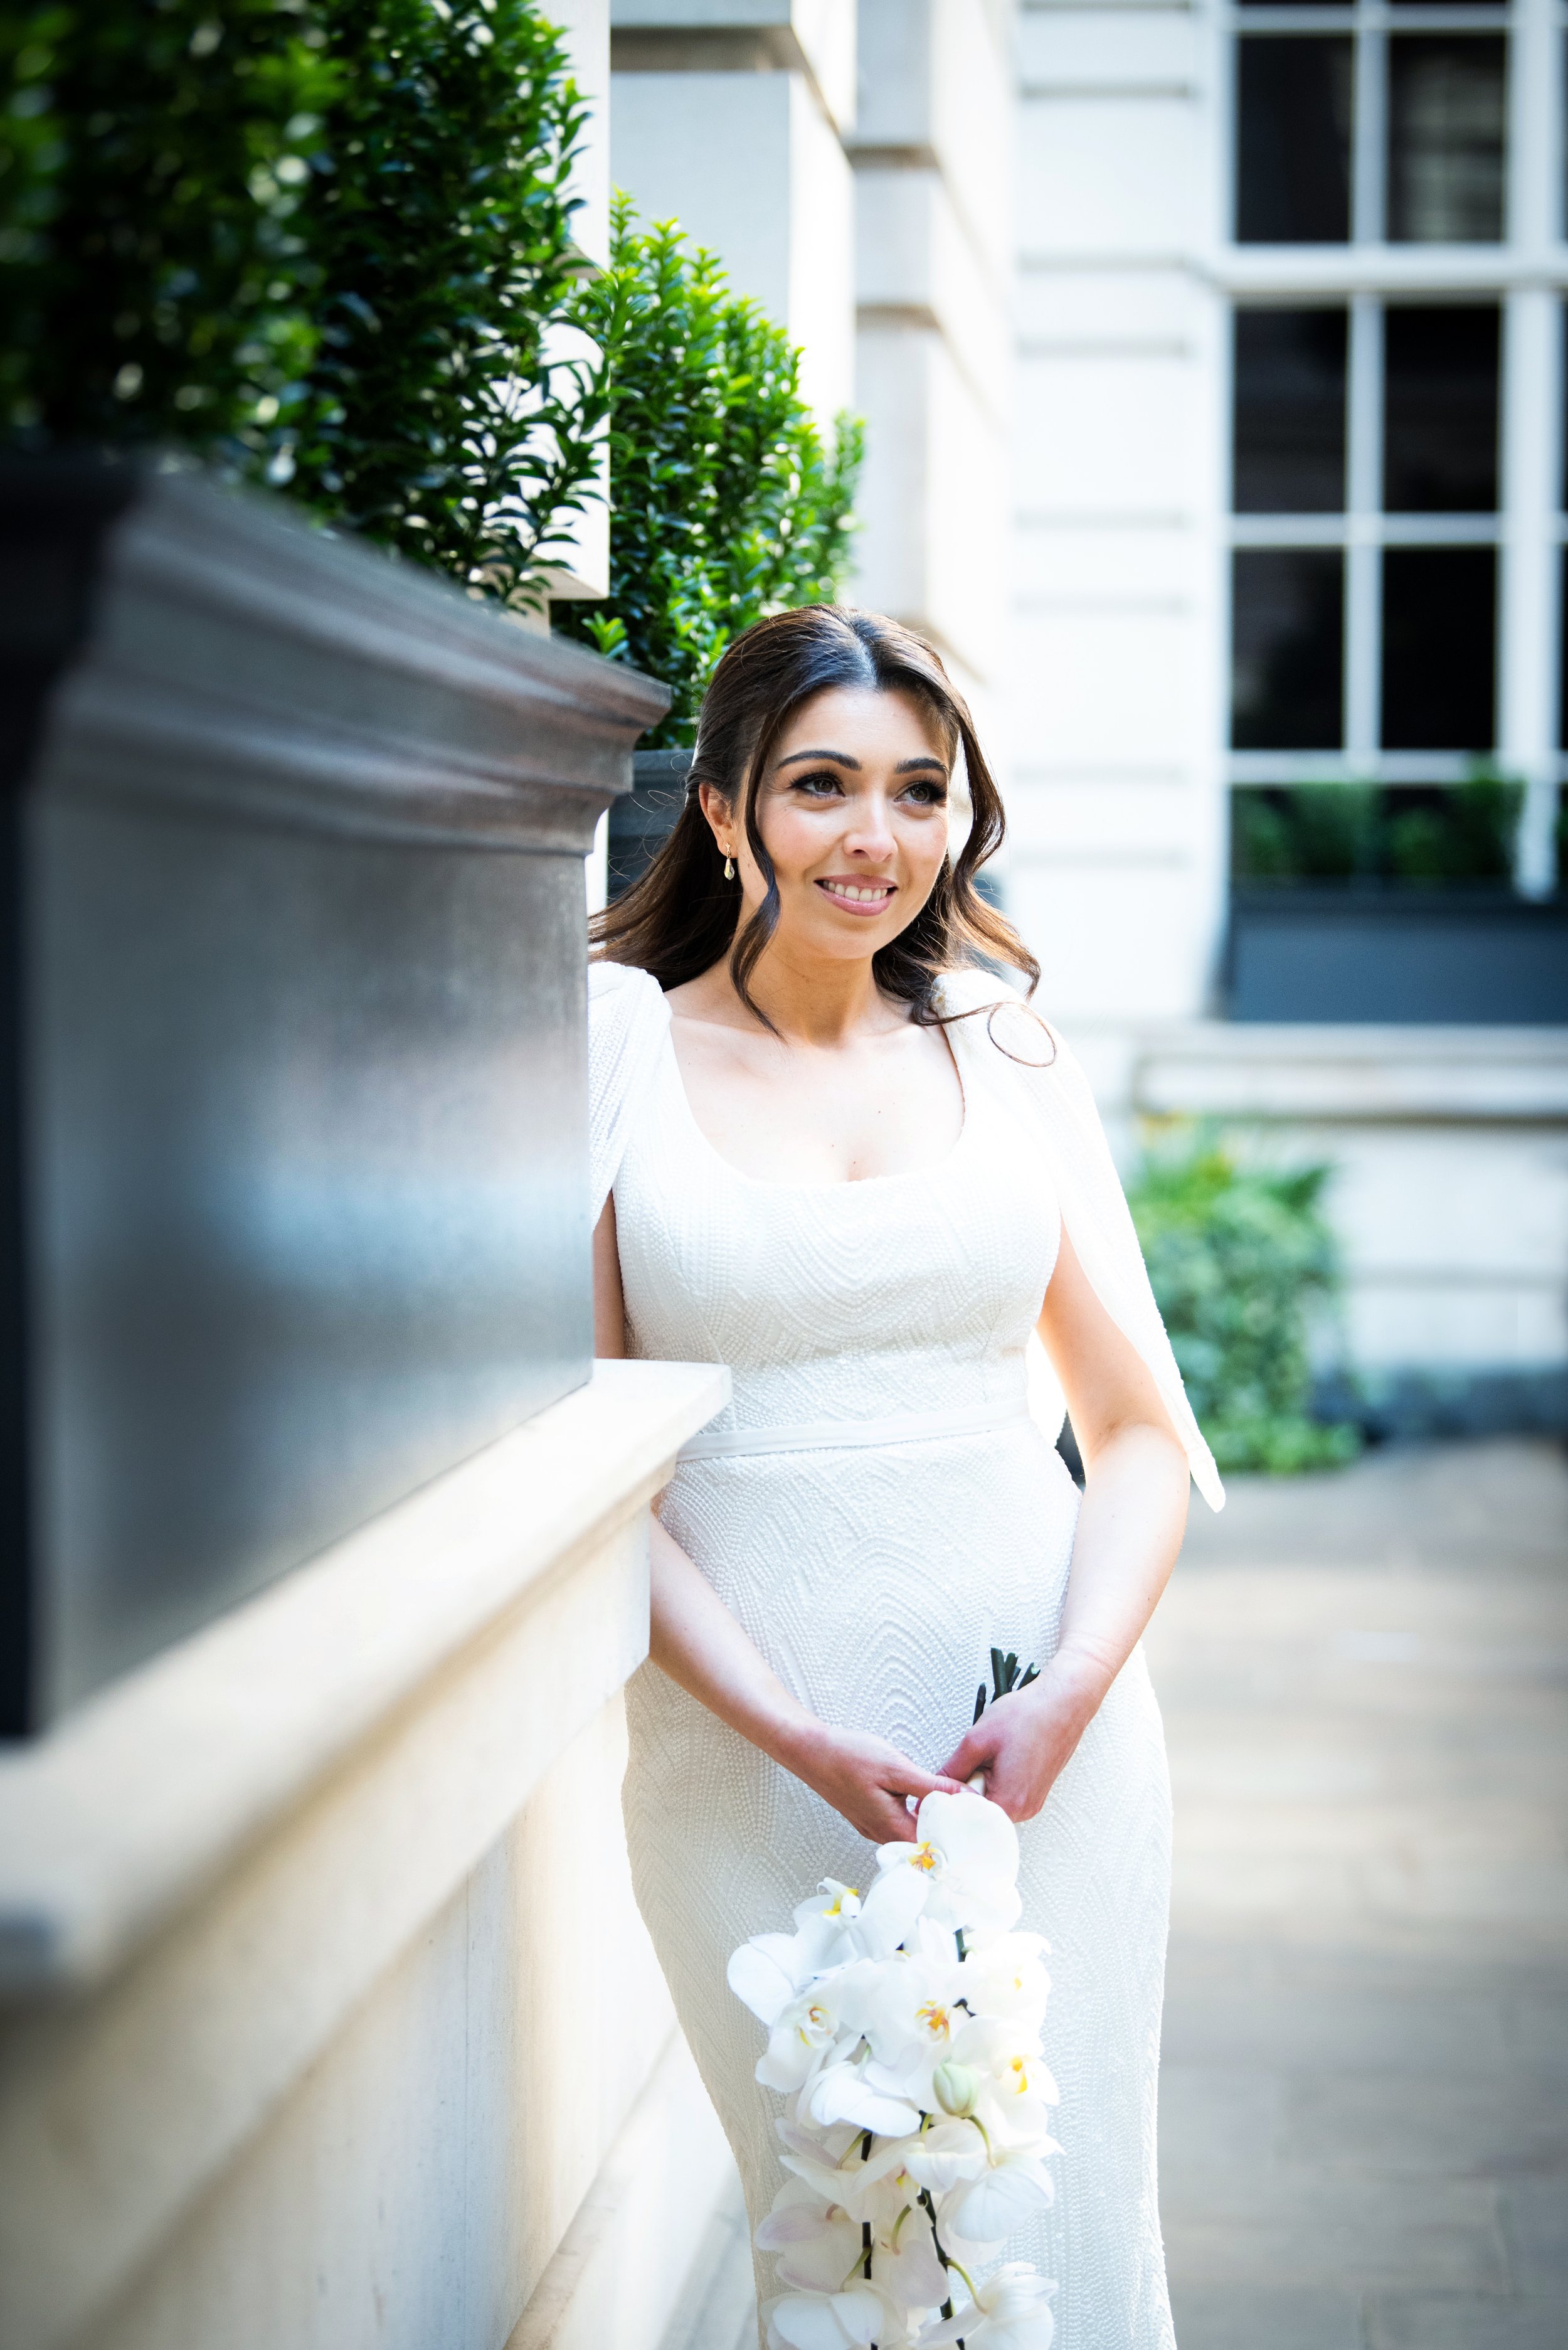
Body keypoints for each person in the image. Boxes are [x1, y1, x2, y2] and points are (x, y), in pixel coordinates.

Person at [589, 605, 1222, 2350]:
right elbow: (596, 1479)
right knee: (852, 2260)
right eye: (820, 786)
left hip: (1041, 1751)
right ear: (721, 809)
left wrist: (1071, 1696)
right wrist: (791, 1735)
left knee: (1061, 2234)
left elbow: (1142, 1434)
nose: (875, 838)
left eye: (917, 791)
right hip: (747, 1751)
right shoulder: (613, 1050)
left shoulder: (1003, 1048)